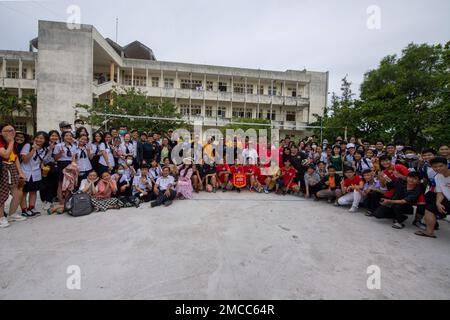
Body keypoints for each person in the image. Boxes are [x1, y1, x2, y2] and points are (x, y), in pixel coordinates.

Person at [415, 157, 449, 238]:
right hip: (447, 200)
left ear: (447, 165)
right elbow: (440, 192)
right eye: (435, 167)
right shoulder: (438, 177)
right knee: (430, 209)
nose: (438, 168)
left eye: (441, 166)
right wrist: (438, 203)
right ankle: (429, 232)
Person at [0, 124, 27, 228]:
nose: (10, 132)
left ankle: (12, 214)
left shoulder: (12, 143)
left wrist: (20, 172)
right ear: (1, 133)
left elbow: (15, 158)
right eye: (6, 131)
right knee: (2, 195)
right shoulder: (3, 142)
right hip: (2, 169)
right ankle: (1, 217)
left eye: (12, 130)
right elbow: (6, 155)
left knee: (18, 192)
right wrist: (11, 141)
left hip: (12, 169)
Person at [19, 131, 49, 217]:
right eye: (38, 137)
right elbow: (25, 159)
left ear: (45, 140)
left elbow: (41, 161)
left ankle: (31, 208)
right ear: (34, 138)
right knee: (24, 192)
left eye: (42, 138)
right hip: (25, 172)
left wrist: (43, 168)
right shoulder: (28, 146)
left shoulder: (45, 149)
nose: (39, 140)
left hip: (36, 173)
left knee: (33, 192)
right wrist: (33, 149)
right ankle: (24, 210)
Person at [53, 131, 77, 204]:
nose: (69, 137)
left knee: (69, 183)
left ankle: (66, 200)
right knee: (60, 183)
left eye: (70, 136)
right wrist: (60, 153)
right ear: (63, 137)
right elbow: (55, 158)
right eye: (67, 135)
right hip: (61, 164)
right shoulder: (59, 146)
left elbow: (74, 157)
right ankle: (61, 201)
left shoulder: (73, 146)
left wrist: (73, 166)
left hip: (70, 164)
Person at [40, 130, 60, 208]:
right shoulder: (45, 145)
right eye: (52, 136)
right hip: (46, 166)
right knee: (46, 184)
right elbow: (43, 158)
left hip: (55, 166)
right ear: (49, 137)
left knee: (54, 183)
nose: (54, 137)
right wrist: (50, 149)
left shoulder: (58, 145)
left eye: (56, 136)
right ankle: (46, 200)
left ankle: (51, 199)